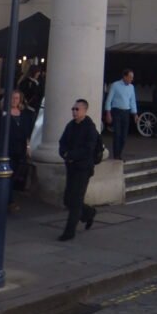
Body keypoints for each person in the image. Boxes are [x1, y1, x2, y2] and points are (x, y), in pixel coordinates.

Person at [57, 98, 99, 241]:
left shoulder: (90, 127)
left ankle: (69, 232)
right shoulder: (70, 125)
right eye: (73, 109)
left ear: (84, 111)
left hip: (83, 168)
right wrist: (64, 153)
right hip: (71, 166)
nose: (74, 112)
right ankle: (89, 213)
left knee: (75, 200)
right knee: (68, 199)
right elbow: (62, 142)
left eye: (77, 109)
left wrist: (72, 155)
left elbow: (89, 149)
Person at [0, 90, 33, 204]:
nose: (14, 100)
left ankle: (6, 197)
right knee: (7, 173)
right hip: (6, 148)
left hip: (19, 148)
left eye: (16, 98)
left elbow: (27, 133)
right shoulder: (1, 113)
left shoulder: (25, 114)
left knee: (14, 174)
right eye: (12, 98)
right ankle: (7, 200)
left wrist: (27, 147)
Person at [103, 68, 138, 160]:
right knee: (117, 134)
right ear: (124, 76)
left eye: (132, 78)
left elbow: (132, 101)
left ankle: (119, 153)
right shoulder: (115, 85)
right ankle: (117, 155)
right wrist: (108, 113)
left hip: (126, 112)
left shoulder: (131, 87)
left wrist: (135, 114)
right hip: (117, 111)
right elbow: (109, 100)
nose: (131, 79)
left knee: (124, 136)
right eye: (130, 77)